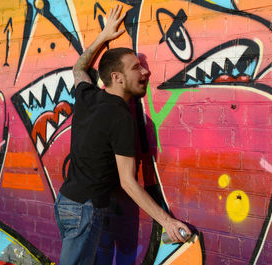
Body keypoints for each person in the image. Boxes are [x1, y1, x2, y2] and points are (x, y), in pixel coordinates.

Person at [54, 5, 191, 265]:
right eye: (136, 68)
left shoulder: (87, 96)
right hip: (85, 209)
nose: (145, 72)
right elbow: (128, 182)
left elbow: (78, 69)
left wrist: (104, 37)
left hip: (66, 202)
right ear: (116, 77)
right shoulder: (120, 117)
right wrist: (167, 222)